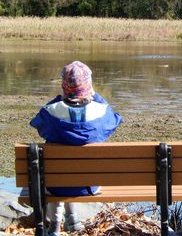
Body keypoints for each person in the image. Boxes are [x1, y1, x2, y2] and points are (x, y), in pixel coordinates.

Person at [30, 61, 122, 236]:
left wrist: (59, 99)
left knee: (56, 173)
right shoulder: (101, 111)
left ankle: (56, 225)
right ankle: (72, 219)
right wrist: (96, 96)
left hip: (56, 185)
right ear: (89, 85)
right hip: (89, 185)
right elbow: (115, 119)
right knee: (68, 172)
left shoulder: (52, 112)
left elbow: (38, 121)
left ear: (64, 85)